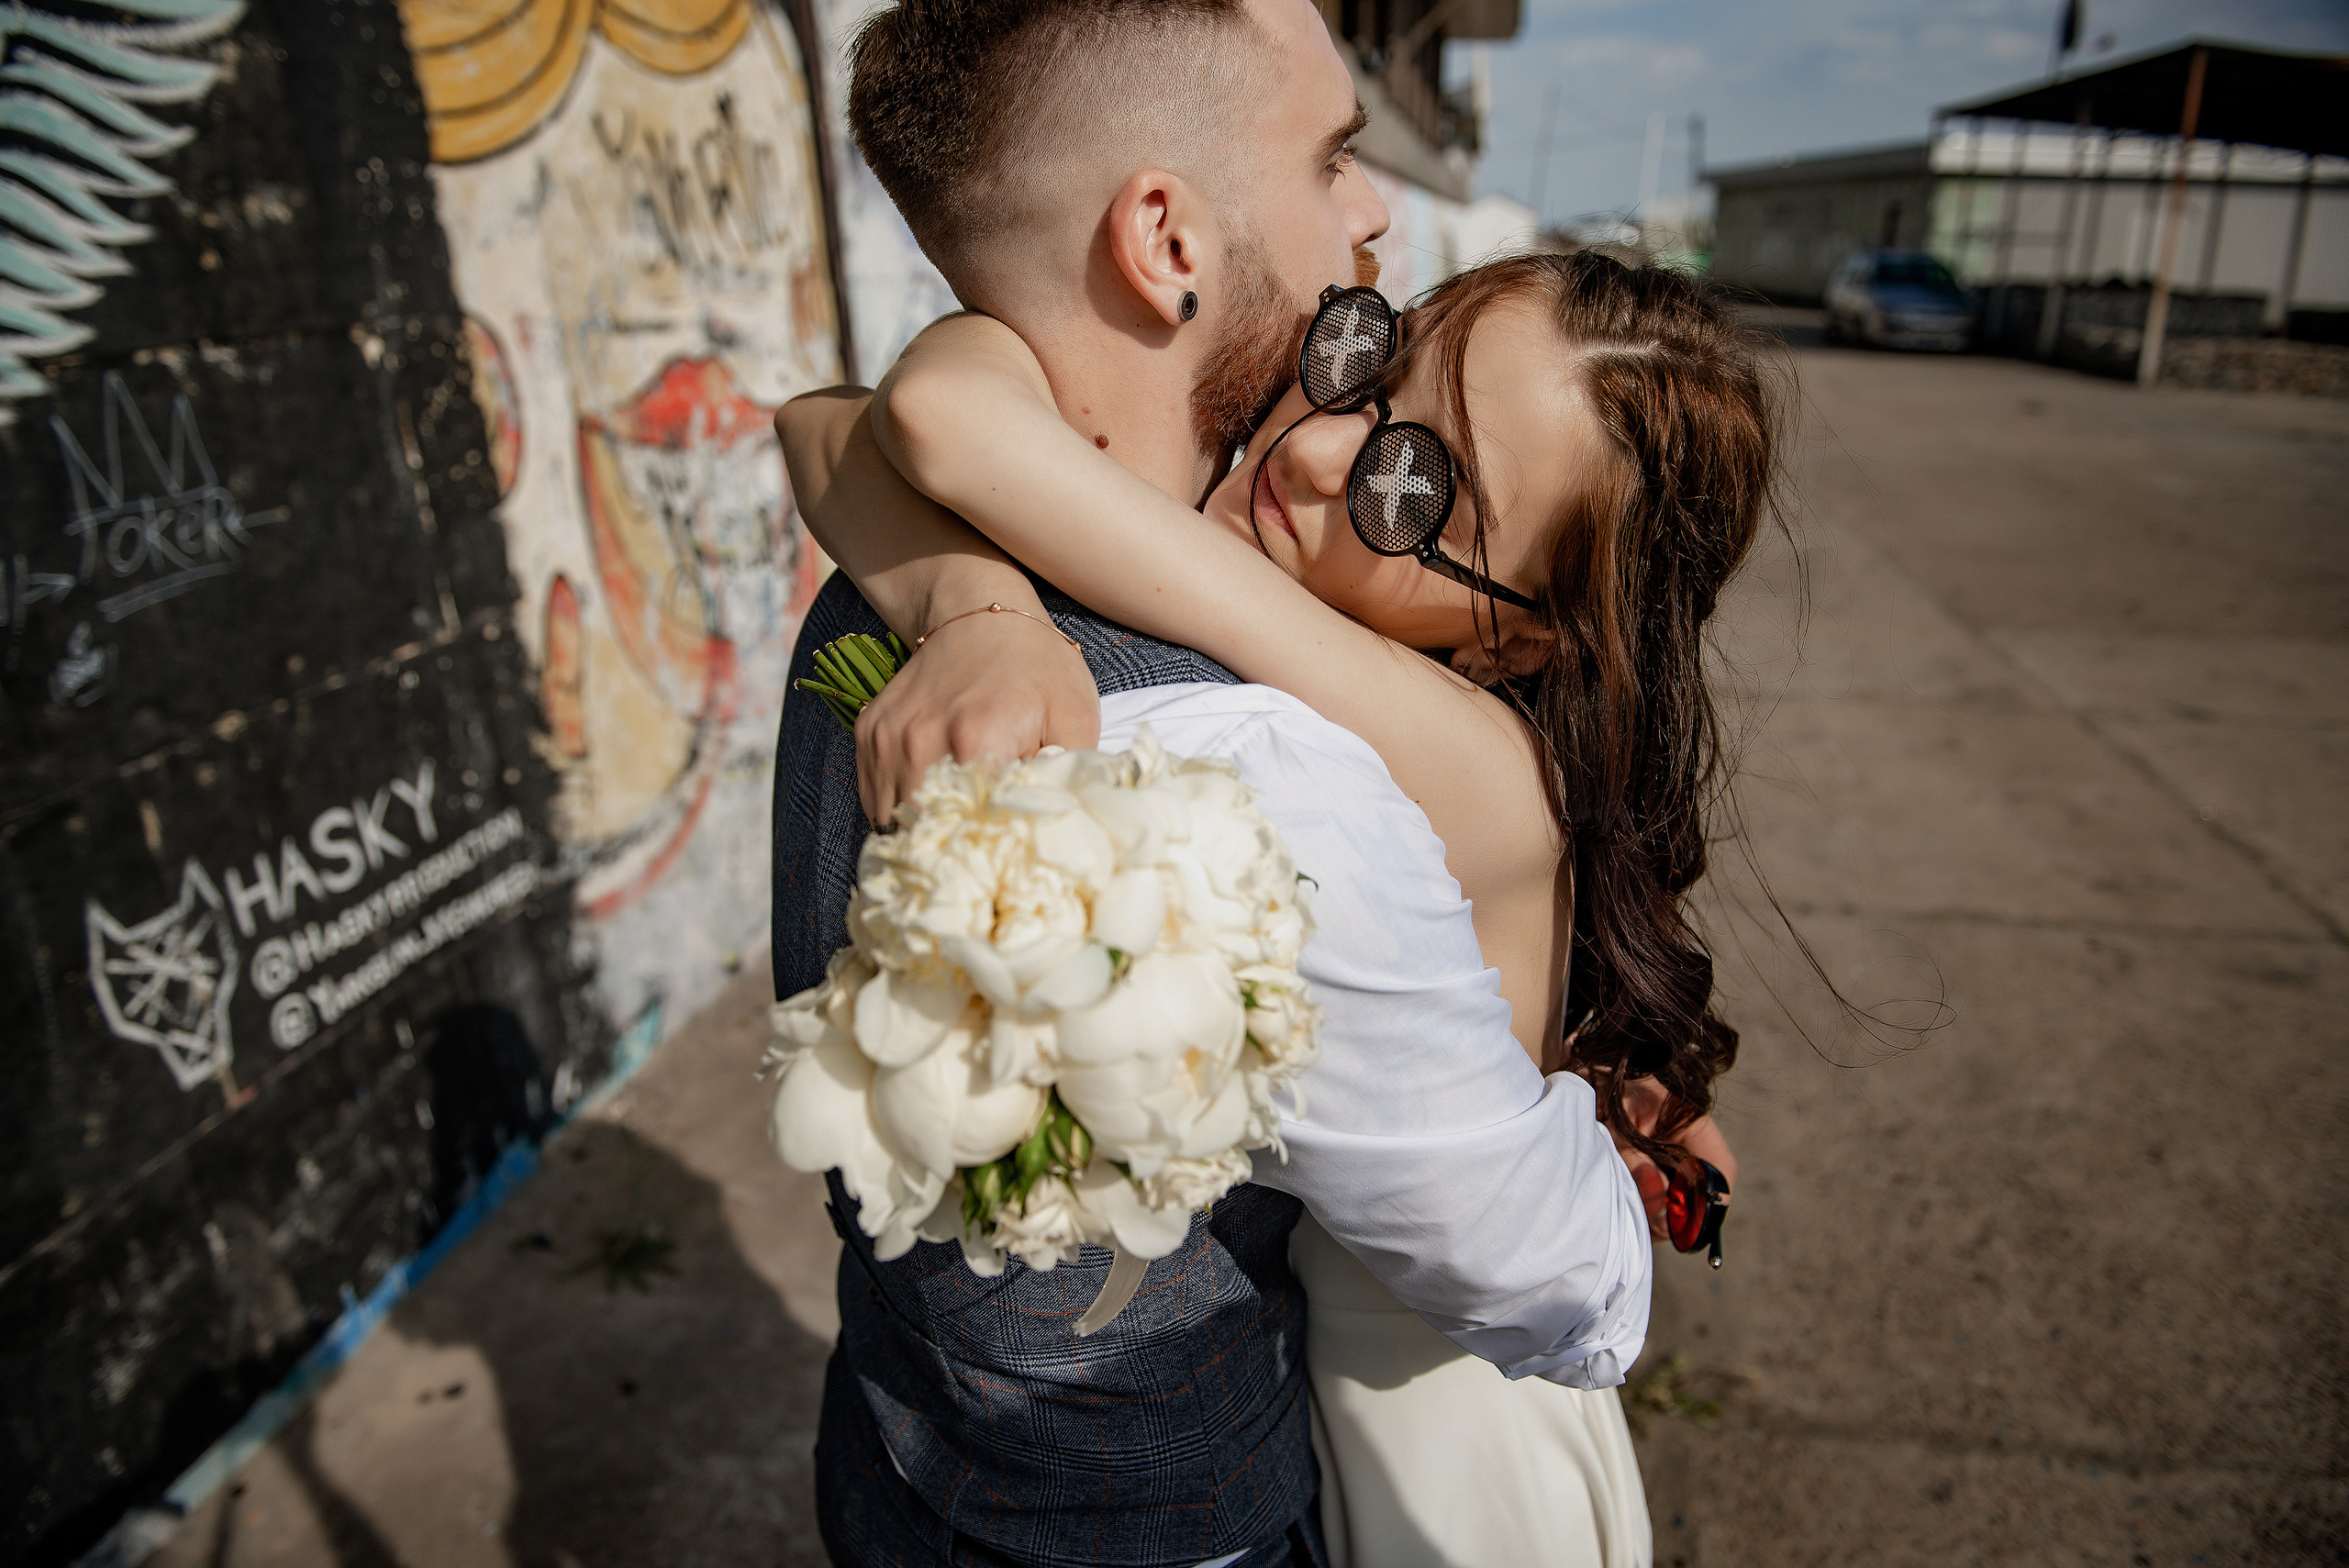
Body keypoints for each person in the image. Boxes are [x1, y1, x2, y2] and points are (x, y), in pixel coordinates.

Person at [769, 3, 1664, 1565]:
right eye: (1333, 155)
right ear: (1166, 233)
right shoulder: (1288, 772)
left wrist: (974, 597)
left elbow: (881, 412)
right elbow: (1564, 1286)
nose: (1378, 208)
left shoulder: (890, 557)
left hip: (891, 1452)